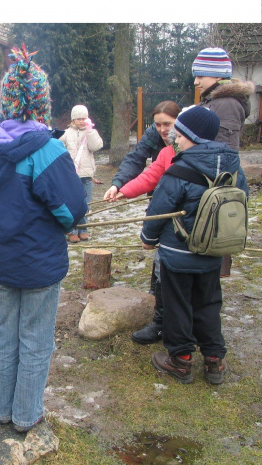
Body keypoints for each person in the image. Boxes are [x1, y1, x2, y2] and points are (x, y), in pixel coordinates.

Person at [0, 46, 87, 433]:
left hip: (4, 262)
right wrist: (66, 224)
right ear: (41, 102)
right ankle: (26, 414)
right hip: (40, 264)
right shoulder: (48, 149)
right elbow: (72, 208)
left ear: (7, 102)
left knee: (5, 334)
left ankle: (1, 410)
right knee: (36, 339)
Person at [140, 106, 248, 385]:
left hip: (178, 252)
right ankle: (214, 359)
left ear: (192, 136)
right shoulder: (234, 167)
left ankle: (181, 359)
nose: (175, 138)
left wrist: (148, 239)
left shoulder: (180, 169)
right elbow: (242, 197)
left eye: (180, 134)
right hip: (214, 250)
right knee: (209, 302)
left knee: (178, 304)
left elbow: (159, 210)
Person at [103, 100, 181, 344]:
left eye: (167, 124)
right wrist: (119, 187)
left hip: (182, 210)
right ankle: (157, 306)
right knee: (161, 259)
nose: (162, 129)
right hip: (162, 201)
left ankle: (172, 319)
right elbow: (140, 165)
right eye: (157, 124)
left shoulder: (185, 146)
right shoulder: (159, 143)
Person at [192, 47, 255, 277]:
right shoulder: (213, 100)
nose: (197, 81)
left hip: (219, 184)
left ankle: (209, 293)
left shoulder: (225, 103)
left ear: (218, 76)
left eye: (201, 75)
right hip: (211, 181)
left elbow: (223, 152)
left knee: (214, 238)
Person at [59, 105, 103, 242]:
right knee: (71, 203)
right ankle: (72, 230)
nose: (81, 121)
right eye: (78, 119)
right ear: (73, 119)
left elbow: (96, 146)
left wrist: (90, 131)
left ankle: (84, 229)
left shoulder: (91, 132)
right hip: (70, 175)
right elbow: (58, 148)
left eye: (84, 118)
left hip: (87, 175)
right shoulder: (66, 133)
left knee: (85, 204)